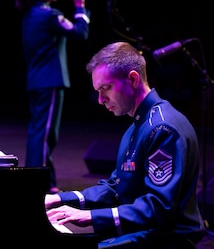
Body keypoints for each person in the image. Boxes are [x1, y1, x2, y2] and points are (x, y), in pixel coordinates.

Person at [45, 41, 205, 248]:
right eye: (98, 91)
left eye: (106, 88)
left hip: (168, 239)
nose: (101, 99)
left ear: (132, 79)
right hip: (144, 231)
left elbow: (159, 207)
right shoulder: (139, 125)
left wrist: (91, 217)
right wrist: (60, 199)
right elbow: (116, 187)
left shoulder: (162, 128)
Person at [15, 0, 90, 194]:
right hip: (49, 81)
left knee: (38, 132)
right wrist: (80, 7)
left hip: (37, 80)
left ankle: (44, 180)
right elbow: (80, 32)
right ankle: (41, 183)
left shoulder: (30, 14)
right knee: (45, 133)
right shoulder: (50, 15)